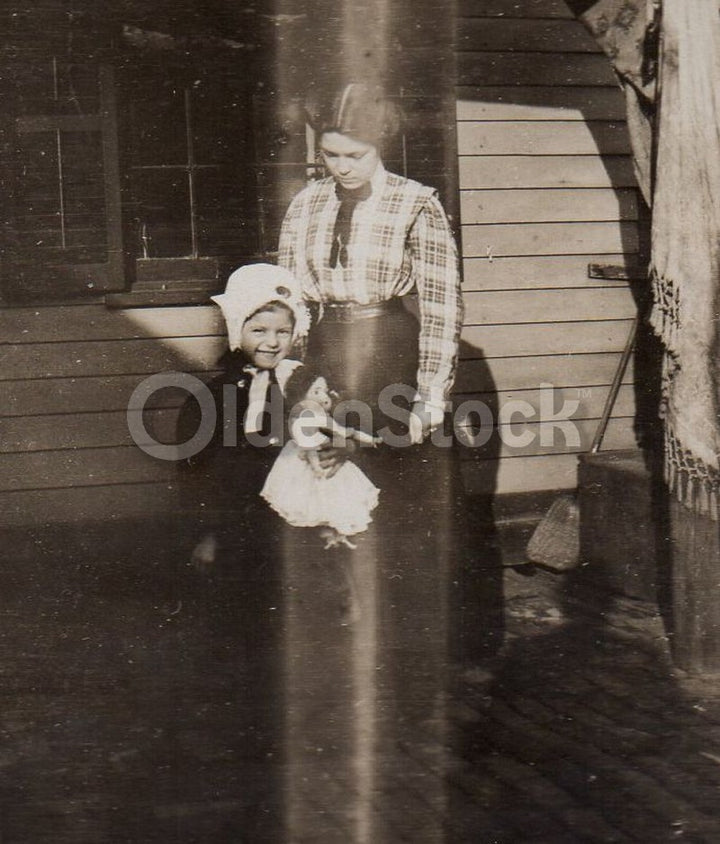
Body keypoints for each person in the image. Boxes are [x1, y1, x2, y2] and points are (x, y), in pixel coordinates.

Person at [176, 262, 310, 577]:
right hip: (234, 528)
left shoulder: (301, 386)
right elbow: (197, 472)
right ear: (238, 330)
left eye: (282, 332)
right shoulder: (215, 397)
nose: (272, 342)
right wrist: (209, 533)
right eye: (259, 331)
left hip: (291, 523)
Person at [260, 366, 382, 549]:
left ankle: (333, 531)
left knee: (334, 492)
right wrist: (316, 464)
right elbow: (307, 445)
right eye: (316, 391)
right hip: (302, 461)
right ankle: (323, 532)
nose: (323, 396)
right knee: (306, 497)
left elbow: (347, 432)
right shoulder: (302, 418)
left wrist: (369, 440)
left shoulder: (320, 417)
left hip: (322, 455)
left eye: (325, 391)